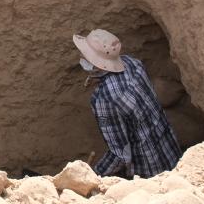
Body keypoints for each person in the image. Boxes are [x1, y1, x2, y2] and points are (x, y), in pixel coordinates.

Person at [73, 29, 182, 178]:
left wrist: (94, 175)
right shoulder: (132, 62)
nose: (80, 56)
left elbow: (120, 155)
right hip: (170, 150)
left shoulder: (104, 98)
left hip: (149, 170)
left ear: (96, 63)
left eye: (85, 55)